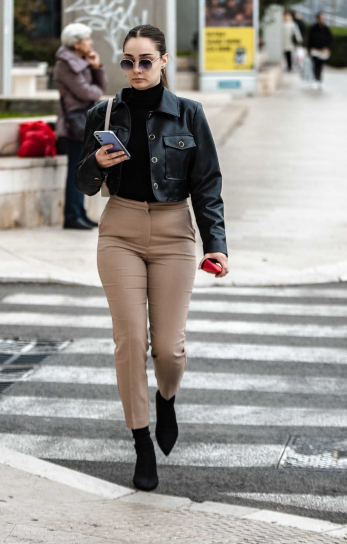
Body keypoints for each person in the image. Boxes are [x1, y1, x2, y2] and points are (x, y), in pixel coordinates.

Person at [77, 24, 228, 492]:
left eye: (146, 61)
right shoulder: (103, 113)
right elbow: (82, 183)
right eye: (128, 61)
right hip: (119, 229)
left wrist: (216, 243)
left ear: (164, 62)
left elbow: (207, 185)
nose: (136, 70)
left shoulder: (188, 114)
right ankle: (141, 442)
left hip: (173, 233)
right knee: (129, 341)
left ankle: (167, 396)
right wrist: (95, 165)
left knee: (168, 347)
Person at [54, 23, 106, 230]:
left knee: (81, 168)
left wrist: (96, 67)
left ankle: (79, 212)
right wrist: (94, 85)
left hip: (84, 121)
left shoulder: (81, 61)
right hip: (73, 124)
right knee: (76, 170)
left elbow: (99, 87)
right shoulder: (65, 65)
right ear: (75, 43)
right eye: (87, 39)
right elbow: (87, 93)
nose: (91, 43)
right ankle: (71, 215)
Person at [307, 12, 333, 87]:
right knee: (315, 65)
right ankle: (316, 79)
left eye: (323, 18)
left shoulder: (326, 29)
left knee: (321, 66)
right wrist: (309, 50)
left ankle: (320, 79)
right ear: (318, 19)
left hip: (323, 51)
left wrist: (327, 47)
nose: (322, 20)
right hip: (315, 50)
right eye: (321, 18)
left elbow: (330, 39)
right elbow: (309, 39)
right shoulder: (313, 28)